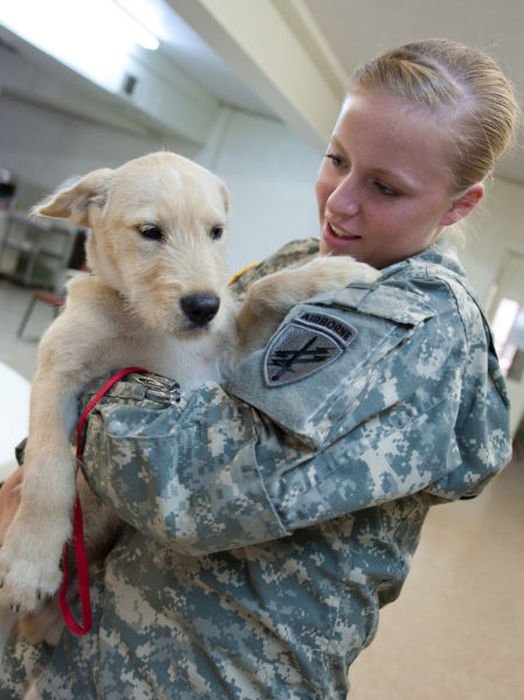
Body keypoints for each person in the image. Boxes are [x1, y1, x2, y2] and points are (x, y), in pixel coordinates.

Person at [0, 38, 519, 699]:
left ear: (461, 205)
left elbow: (188, 484)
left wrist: (82, 378)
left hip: (202, 672)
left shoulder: (412, 324)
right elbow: (224, 334)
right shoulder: (308, 257)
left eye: (385, 187)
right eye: (336, 160)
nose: (340, 202)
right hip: (91, 635)